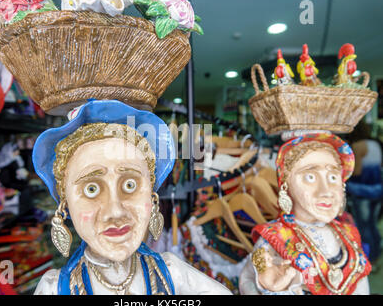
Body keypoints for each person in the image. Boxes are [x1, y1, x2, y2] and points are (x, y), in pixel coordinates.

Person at [33, 100, 232, 295]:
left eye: (130, 185)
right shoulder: (54, 288)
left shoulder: (172, 273)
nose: (116, 211)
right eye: (91, 189)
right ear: (65, 205)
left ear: (152, 197)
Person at [239, 133, 371, 295]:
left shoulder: (349, 234)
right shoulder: (276, 237)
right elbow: (248, 283)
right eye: (310, 177)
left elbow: (361, 285)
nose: (326, 191)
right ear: (286, 185)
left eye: (333, 177)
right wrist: (272, 285)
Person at [346, 121, 382, 261]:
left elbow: (357, 172)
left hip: (362, 192)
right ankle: (377, 253)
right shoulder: (375, 144)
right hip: (378, 189)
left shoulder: (357, 146)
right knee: (373, 223)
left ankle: (370, 258)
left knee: (364, 226)